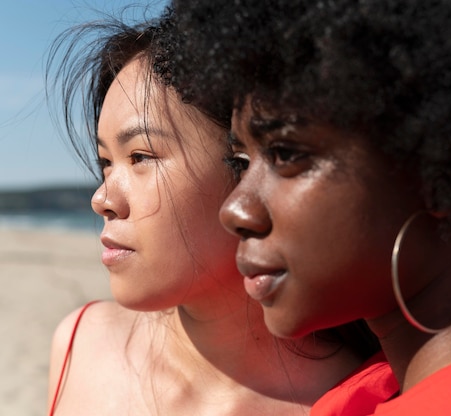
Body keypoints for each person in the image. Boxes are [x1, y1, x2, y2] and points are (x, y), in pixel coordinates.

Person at [171, 0, 451, 414]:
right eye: (241, 161)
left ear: (445, 165)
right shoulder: (381, 389)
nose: (235, 210)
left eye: (287, 154)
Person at [44, 10, 389, 415]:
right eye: (106, 162)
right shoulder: (80, 343)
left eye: (140, 156)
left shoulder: (359, 400)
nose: (102, 198)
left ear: (250, 160)